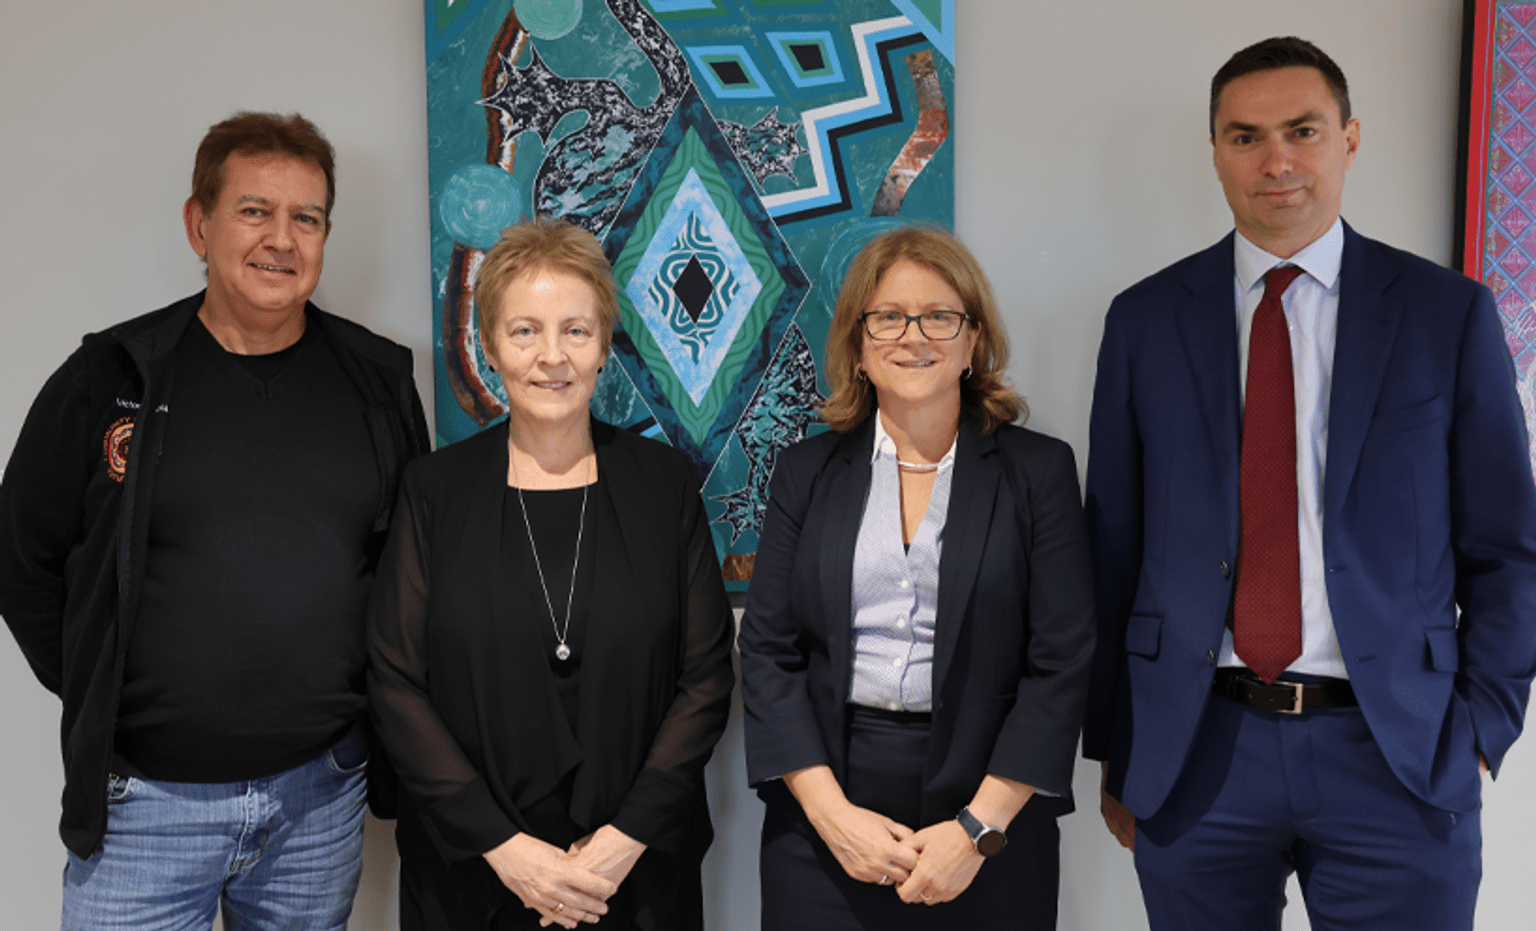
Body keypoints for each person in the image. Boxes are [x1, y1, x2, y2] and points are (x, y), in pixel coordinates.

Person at [1083, 36, 1536, 931]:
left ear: (1350, 139)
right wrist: (1119, 747)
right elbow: (1113, 549)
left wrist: (1481, 731)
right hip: (1198, 747)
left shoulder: (1446, 315)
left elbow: (1508, 548)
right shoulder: (1143, 321)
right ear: (1214, 151)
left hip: (1398, 750)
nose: (1276, 159)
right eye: (1245, 136)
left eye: (1302, 129)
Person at [0, 111, 429, 929]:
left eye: (307, 218)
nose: (282, 239)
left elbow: (409, 571)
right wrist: (102, 683)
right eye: (254, 210)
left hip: (319, 800)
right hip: (144, 807)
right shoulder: (111, 374)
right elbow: (21, 555)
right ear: (199, 225)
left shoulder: (378, 382)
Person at [368, 216, 736, 931]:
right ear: (490, 345)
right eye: (525, 330)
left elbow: (707, 676)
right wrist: (509, 851)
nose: (552, 356)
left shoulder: (664, 486)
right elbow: (394, 682)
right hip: (472, 877)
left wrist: (619, 844)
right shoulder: (433, 491)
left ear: (604, 345)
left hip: (634, 877)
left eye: (576, 329)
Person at [738, 226, 1096, 930]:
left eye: (940, 316)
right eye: (889, 317)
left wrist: (977, 831)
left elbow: (1061, 663)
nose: (914, 336)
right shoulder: (804, 473)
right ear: (859, 344)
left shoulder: (1038, 472)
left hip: (991, 805)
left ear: (972, 341)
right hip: (825, 805)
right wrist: (831, 815)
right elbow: (767, 652)